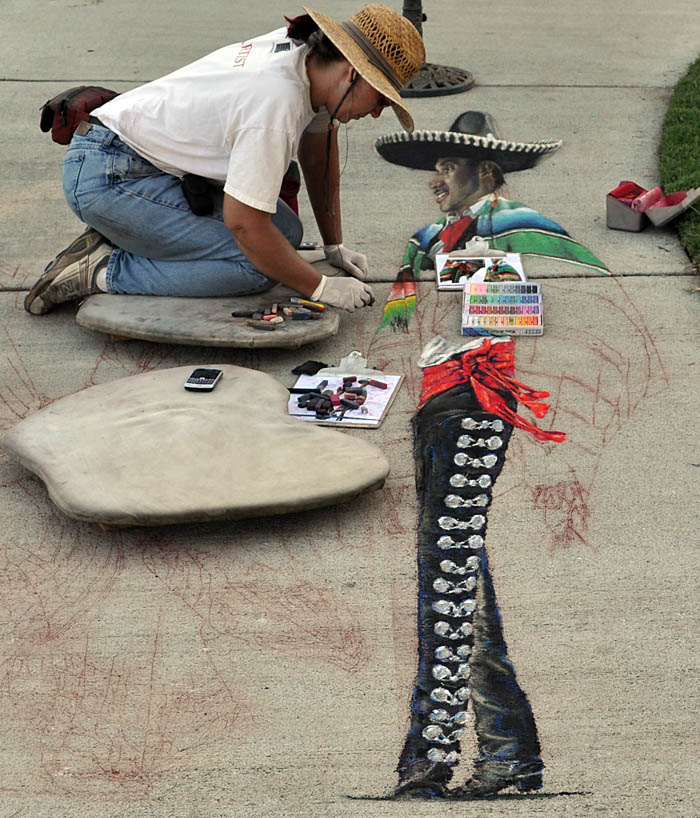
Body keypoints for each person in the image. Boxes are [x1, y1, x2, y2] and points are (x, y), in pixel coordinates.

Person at [24, 4, 425, 316]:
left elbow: (318, 153)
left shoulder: (307, 60)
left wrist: (333, 245)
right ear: (352, 74)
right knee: (257, 267)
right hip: (108, 178)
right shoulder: (276, 103)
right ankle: (99, 271)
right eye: (380, 99)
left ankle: (136, 236)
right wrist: (320, 287)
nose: (376, 113)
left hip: (129, 162)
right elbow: (243, 224)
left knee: (284, 233)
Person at [375, 110, 608, 285]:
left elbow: (587, 281)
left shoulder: (522, 225)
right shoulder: (425, 238)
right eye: (437, 171)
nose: (435, 182)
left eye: (447, 169)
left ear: (484, 170)